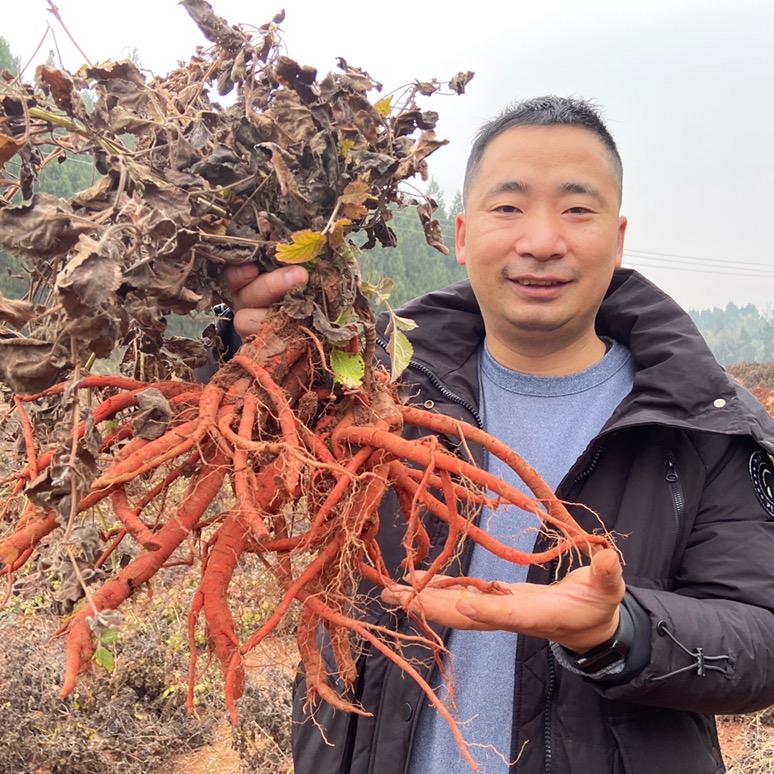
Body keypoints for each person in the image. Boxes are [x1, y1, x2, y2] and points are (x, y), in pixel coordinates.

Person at [214, 97, 774, 773]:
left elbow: (762, 639)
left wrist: (617, 631)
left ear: (618, 237)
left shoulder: (704, 419)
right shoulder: (366, 384)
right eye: (508, 207)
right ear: (461, 233)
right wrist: (245, 352)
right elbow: (245, 442)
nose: (541, 241)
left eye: (577, 209)